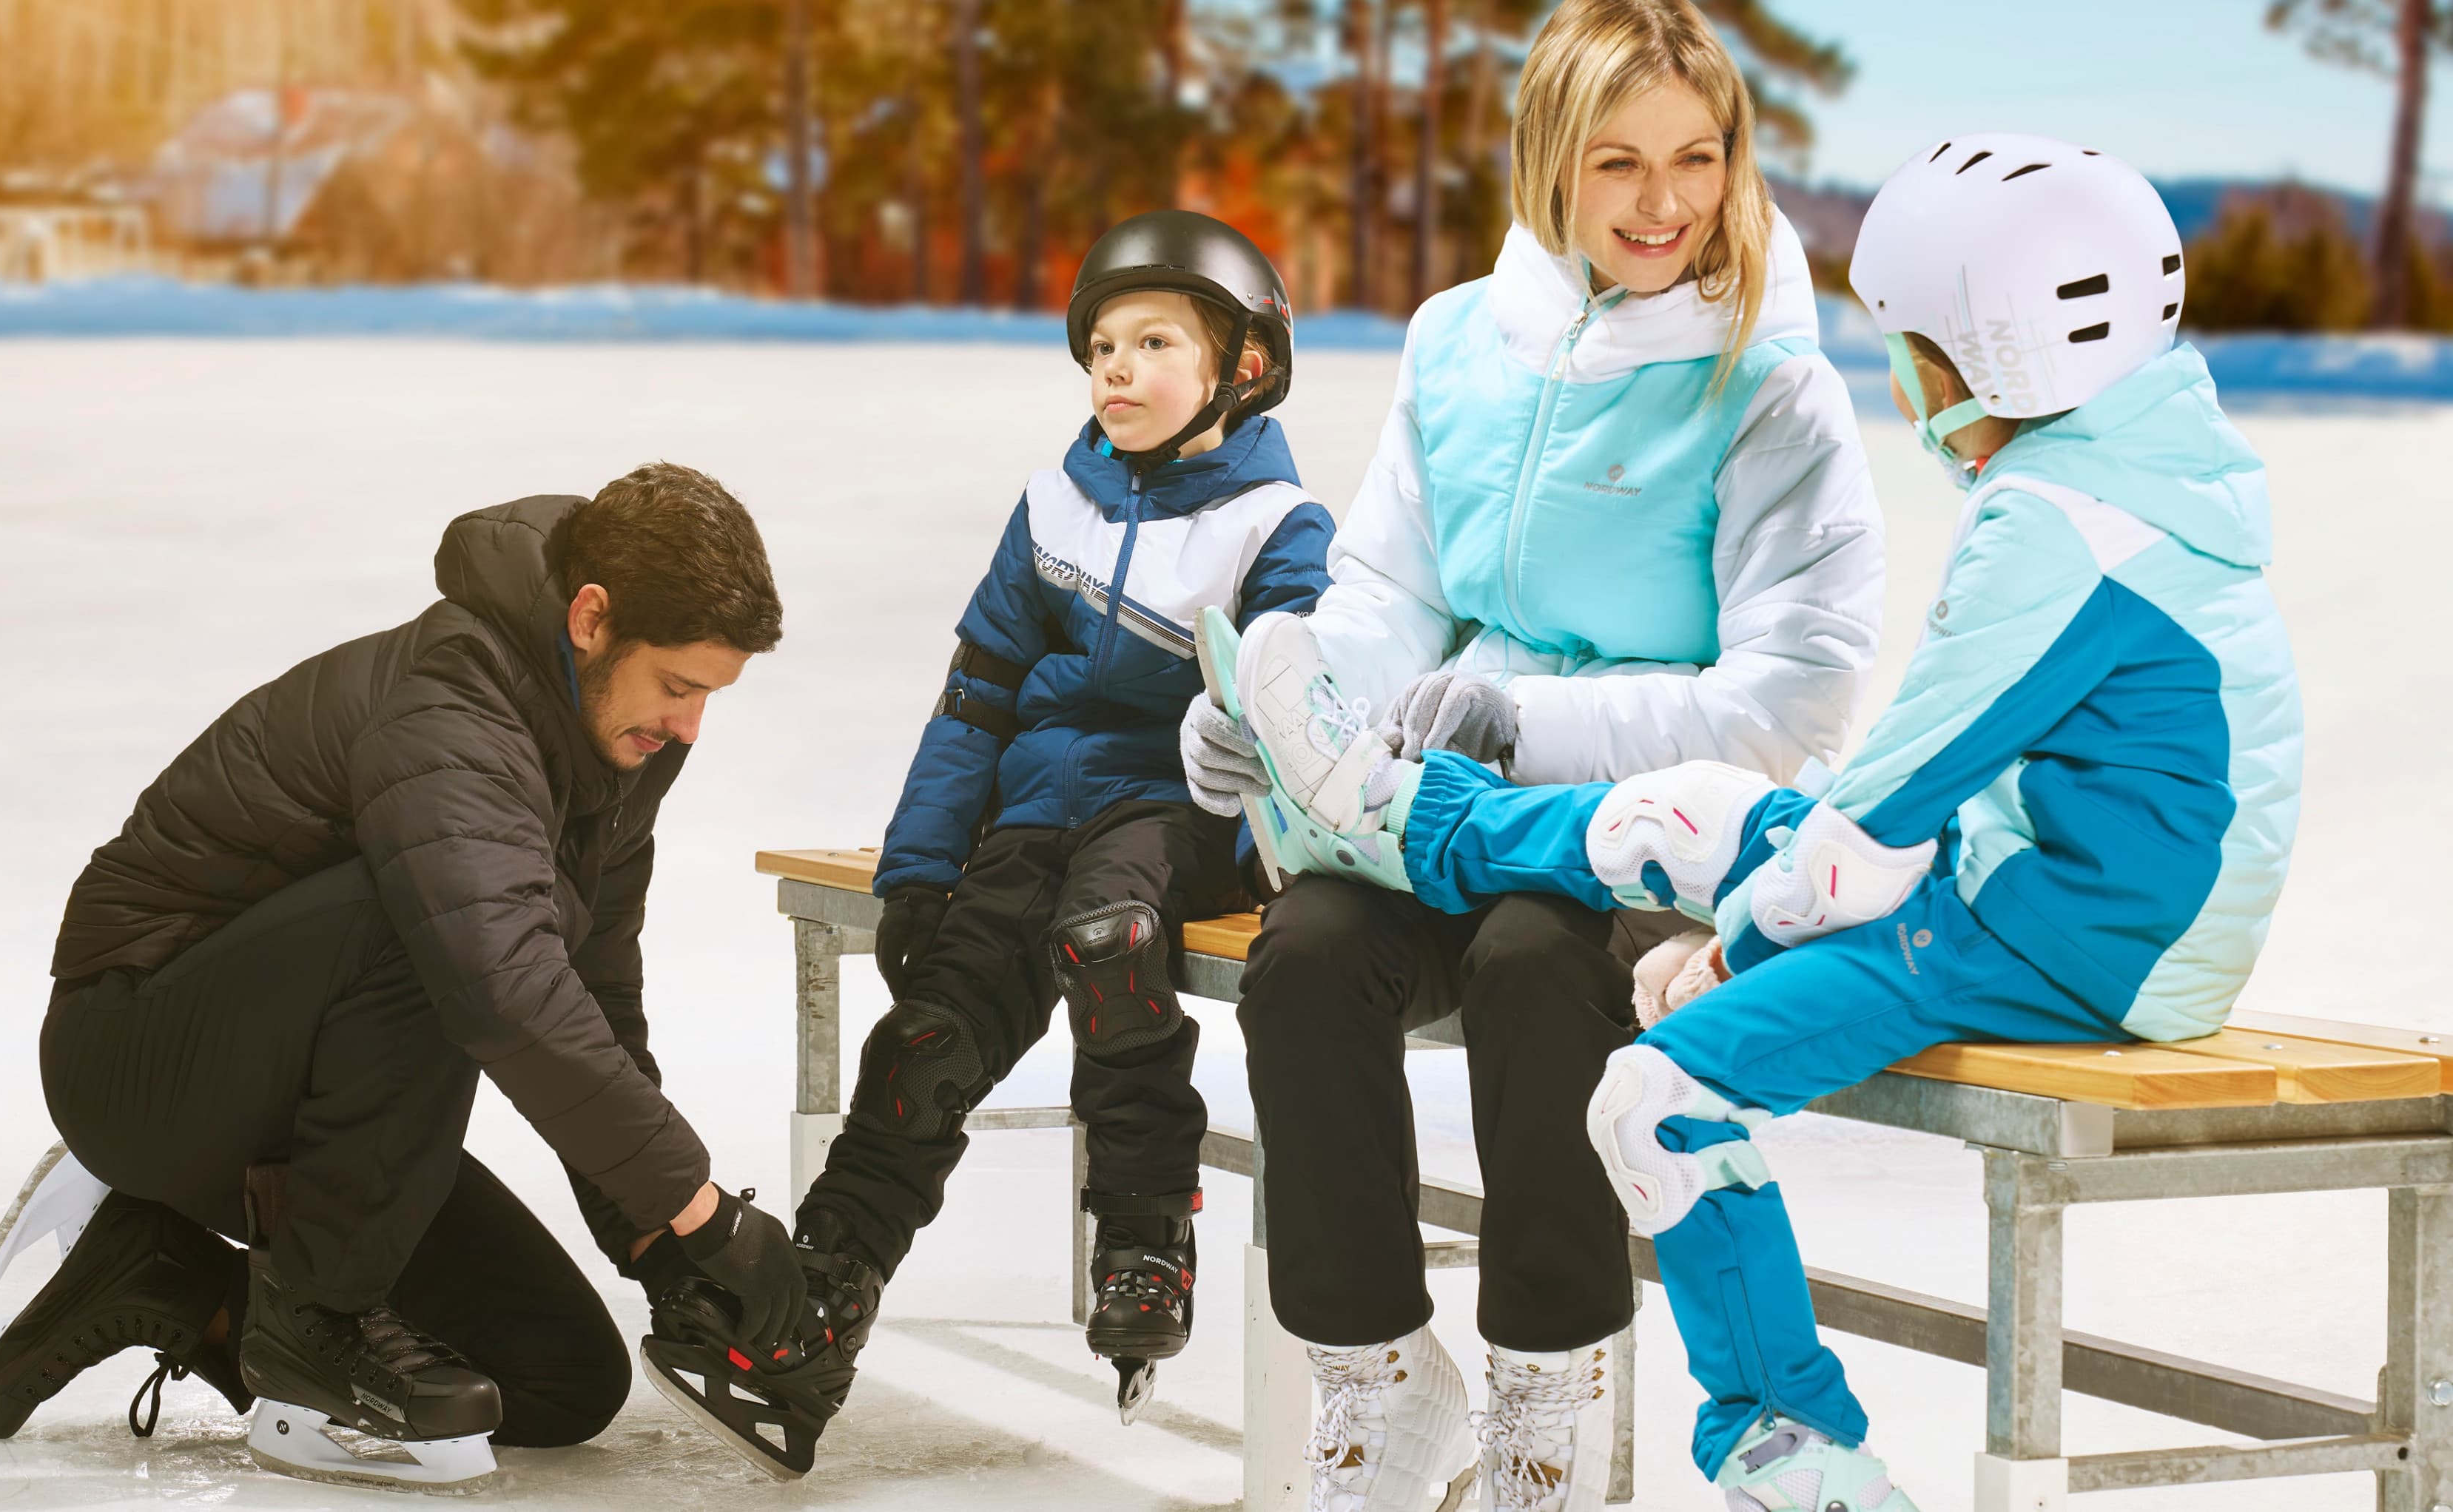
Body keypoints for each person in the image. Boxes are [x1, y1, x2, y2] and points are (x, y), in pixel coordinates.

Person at [1234, 133, 2301, 1512]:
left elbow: (1878, 821)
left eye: (1913, 348)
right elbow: (1894, 805)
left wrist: (1732, 951)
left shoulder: (2058, 528)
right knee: (1681, 814)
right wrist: (1743, 890)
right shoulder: (2143, 463)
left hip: (2070, 934)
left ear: (1990, 357)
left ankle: (1787, 1445)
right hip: (2060, 887)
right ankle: (1396, 812)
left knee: (1655, 1097)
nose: (1903, 385)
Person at [1178, 2, 1882, 1508]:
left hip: (1663, 839)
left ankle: (1545, 1405)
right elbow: (1387, 592)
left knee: (1529, 962)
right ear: (1548, 160)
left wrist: (1529, 718)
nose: (1661, 202)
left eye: (1696, 158)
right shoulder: (1461, 343)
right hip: (1457, 814)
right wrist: (1271, 698)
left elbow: (1800, 691)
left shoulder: (1769, 381)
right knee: (1304, 954)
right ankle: (1376, 1378)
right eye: (1617, 161)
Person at [0, 465, 812, 1488]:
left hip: (318, 1098)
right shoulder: (454, 706)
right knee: (437, 929)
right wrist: (704, 1206)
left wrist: (661, 1242)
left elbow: (594, 1002)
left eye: (711, 695)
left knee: (560, 1381)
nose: (689, 728)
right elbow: (500, 990)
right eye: (679, 686)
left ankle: (187, 1285)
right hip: (140, 1052)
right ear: (591, 620)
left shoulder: (617, 750)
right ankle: (315, 1319)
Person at [782, 209, 1333, 1434]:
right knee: (930, 1030)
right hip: (1030, 820)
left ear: (1241, 367)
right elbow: (976, 696)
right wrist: (923, 868)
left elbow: (1295, 710)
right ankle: (821, 1289)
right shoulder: (1051, 509)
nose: (1116, 371)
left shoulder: (1275, 525)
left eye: (1151, 343)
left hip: (1173, 811)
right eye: (1100, 348)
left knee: (1112, 938)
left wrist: (1274, 846)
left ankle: (1143, 1239)